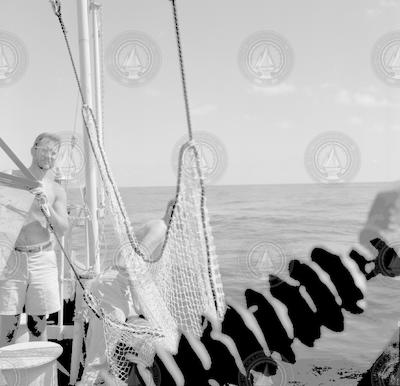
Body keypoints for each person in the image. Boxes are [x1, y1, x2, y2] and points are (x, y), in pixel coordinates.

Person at [79, 199, 176, 385]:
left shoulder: (157, 225)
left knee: (105, 351)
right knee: (100, 355)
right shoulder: (160, 229)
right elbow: (132, 265)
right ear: (171, 210)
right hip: (112, 288)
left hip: (114, 287)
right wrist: (140, 304)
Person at [0, 133, 69, 347]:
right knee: (7, 327)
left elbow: (63, 228)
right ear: (33, 150)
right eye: (44, 150)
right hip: (13, 257)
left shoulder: (56, 190)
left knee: (38, 326)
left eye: (53, 153)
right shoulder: (9, 178)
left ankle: (40, 378)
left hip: (42, 258)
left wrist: (45, 205)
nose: (48, 156)